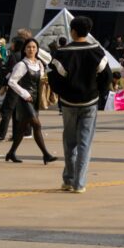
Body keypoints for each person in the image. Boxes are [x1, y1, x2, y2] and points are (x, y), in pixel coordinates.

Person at [47, 17, 110, 194]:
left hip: (68, 103)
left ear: (73, 31)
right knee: (85, 143)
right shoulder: (97, 51)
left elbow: (54, 78)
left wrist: (62, 94)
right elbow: (106, 77)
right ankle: (79, 183)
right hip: (90, 102)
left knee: (69, 142)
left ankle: (68, 179)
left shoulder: (63, 53)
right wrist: (98, 93)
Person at [3, 38, 56, 165]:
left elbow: (42, 80)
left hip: (35, 99)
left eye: (33, 47)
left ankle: (11, 153)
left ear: (37, 49)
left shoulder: (39, 64)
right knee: (36, 125)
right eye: (28, 47)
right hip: (25, 100)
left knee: (21, 129)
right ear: (24, 50)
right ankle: (46, 154)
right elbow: (11, 82)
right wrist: (24, 93)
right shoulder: (21, 65)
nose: (31, 49)